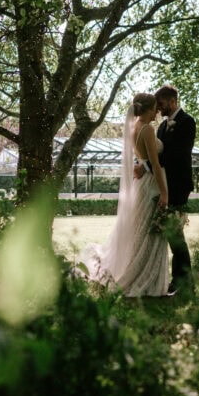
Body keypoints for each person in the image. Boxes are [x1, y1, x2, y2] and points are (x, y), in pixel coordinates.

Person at [78, 93, 171, 297]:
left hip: (142, 184)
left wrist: (144, 166)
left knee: (142, 229)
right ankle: (144, 278)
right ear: (148, 109)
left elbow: (143, 160)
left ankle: (142, 274)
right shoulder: (146, 128)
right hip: (152, 185)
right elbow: (155, 164)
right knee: (150, 231)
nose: (157, 111)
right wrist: (164, 193)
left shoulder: (134, 128)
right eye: (155, 107)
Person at [134, 85, 196, 293]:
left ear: (171, 101)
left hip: (178, 185)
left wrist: (149, 165)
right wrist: (144, 165)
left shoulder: (188, 122)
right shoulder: (160, 127)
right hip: (162, 185)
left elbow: (176, 155)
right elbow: (154, 154)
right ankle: (179, 281)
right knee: (170, 234)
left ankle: (184, 282)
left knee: (175, 233)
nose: (158, 109)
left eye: (161, 104)